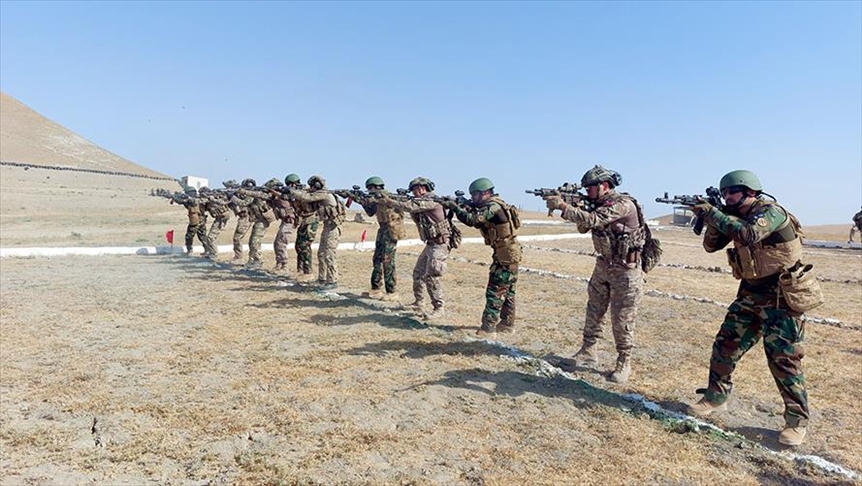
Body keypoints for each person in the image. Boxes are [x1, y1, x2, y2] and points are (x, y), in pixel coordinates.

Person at [685, 170, 812, 447]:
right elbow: (710, 246)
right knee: (725, 345)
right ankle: (715, 397)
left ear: (751, 192)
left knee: (783, 358)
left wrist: (713, 213)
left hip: (781, 297)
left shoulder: (771, 212)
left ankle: (796, 421)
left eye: (733, 192)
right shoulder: (733, 216)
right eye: (724, 193)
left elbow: (750, 233)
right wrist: (713, 218)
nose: (728, 196)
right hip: (751, 293)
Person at [544, 165, 646, 384]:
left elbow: (592, 221)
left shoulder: (622, 204)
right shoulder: (597, 205)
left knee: (622, 317)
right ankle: (588, 351)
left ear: (605, 186)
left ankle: (624, 361)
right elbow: (583, 227)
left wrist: (563, 206)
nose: (587, 191)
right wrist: (575, 206)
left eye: (590, 187)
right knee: (594, 310)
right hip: (603, 266)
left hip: (625, 270)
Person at [445, 177, 521, 336]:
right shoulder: (496, 204)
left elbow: (473, 220)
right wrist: (464, 205)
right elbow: (479, 218)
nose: (473, 198)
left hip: (505, 253)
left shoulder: (493, 206)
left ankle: (488, 328)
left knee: (495, 290)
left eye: (475, 195)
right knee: (508, 291)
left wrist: (455, 208)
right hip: (508, 252)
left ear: (485, 193)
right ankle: (507, 324)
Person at [378, 177, 450, 319]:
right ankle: (419, 302)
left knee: (432, 276)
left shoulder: (432, 200)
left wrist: (389, 201)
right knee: (418, 272)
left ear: (424, 188)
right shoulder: (420, 201)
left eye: (417, 189)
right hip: (431, 244)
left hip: (439, 244)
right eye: (414, 190)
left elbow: (410, 207)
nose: (415, 192)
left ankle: (439, 308)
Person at [349, 176, 406, 300]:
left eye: (370, 189)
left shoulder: (386, 196)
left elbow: (387, 203)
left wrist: (360, 198)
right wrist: (357, 198)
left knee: (388, 261)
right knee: (377, 259)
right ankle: (376, 289)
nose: (369, 192)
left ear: (374, 187)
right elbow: (370, 212)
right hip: (382, 229)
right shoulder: (376, 198)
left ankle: (392, 291)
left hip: (391, 230)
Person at [288, 175, 345, 289]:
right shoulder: (320, 194)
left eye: (312, 186)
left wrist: (291, 191)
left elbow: (306, 197)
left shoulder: (324, 194)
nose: (311, 188)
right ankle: (322, 279)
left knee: (329, 254)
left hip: (333, 227)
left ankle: (332, 280)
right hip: (327, 226)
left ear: (317, 186)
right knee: (321, 254)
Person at [231, 178, 277, 269]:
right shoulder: (253, 193)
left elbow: (244, 203)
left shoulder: (253, 194)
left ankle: (256, 261)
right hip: (258, 220)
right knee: (252, 241)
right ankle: (252, 261)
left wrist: (232, 197)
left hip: (263, 220)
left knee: (255, 241)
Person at [287, 174, 319, 281]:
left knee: (305, 246)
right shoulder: (294, 192)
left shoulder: (306, 191)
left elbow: (305, 197)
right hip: (303, 221)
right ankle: (300, 271)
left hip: (311, 221)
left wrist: (291, 191)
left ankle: (308, 272)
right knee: (298, 246)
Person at [172, 186, 216, 257]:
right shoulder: (200, 199)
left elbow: (181, 202)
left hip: (195, 220)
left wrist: (174, 197)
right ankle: (207, 250)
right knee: (202, 236)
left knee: (189, 236)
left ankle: (189, 250)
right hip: (202, 220)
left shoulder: (192, 200)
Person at [269, 175, 298, 272]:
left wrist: (274, 192)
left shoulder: (288, 195)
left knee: (281, 243)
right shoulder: (280, 195)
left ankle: (285, 265)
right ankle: (279, 263)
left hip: (289, 222)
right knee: (276, 243)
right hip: (284, 222)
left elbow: (283, 198)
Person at [198, 186, 231, 259]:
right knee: (210, 237)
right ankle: (211, 252)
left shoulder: (217, 197)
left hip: (222, 218)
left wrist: (213, 199)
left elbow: (224, 202)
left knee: (211, 237)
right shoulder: (207, 201)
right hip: (218, 218)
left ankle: (214, 253)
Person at [223, 179, 252, 262]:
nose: (227, 189)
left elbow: (244, 203)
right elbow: (226, 203)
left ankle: (239, 257)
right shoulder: (235, 194)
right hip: (242, 218)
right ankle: (238, 256)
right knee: (236, 238)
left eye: (228, 187)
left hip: (245, 218)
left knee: (237, 238)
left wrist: (232, 196)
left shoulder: (243, 194)